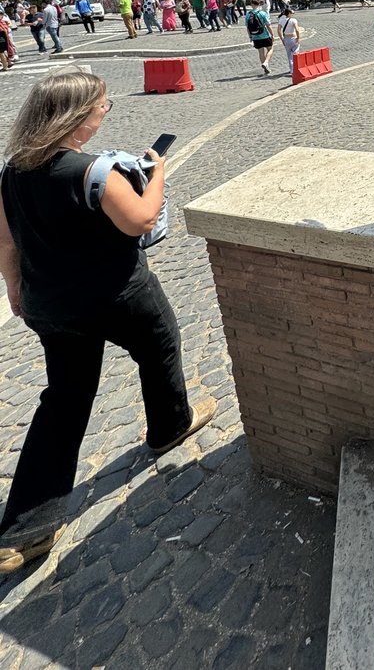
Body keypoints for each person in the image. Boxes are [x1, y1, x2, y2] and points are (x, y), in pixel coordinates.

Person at [0, 71, 215, 573]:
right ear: (78, 117)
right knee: (159, 343)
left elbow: (7, 241)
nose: (105, 112)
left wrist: (15, 287)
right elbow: (140, 219)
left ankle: (23, 529)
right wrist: (158, 170)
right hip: (116, 293)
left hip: (51, 304)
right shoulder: (91, 171)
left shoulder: (13, 170)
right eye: (103, 106)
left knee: (64, 398)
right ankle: (170, 426)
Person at [245, 0, 274, 75]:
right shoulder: (262, 13)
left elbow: (248, 27)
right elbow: (268, 25)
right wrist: (272, 34)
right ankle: (266, 62)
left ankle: (266, 69)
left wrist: (250, 37)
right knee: (270, 49)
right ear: (259, 4)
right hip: (264, 35)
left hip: (255, 36)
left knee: (261, 52)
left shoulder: (248, 14)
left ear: (251, 4)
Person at [277, 7, 301, 74]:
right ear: (289, 13)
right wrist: (298, 38)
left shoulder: (281, 20)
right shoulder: (293, 20)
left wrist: (282, 39)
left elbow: (278, 30)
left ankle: (291, 70)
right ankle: (295, 69)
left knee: (289, 55)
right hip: (293, 38)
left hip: (286, 38)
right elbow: (297, 30)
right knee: (295, 54)